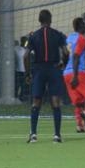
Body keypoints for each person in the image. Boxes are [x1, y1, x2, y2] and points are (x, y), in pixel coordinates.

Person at [25, 9, 67, 144]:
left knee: (36, 101)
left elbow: (25, 55)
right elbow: (66, 52)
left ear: (39, 20)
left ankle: (33, 135)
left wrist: (27, 73)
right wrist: (63, 65)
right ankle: (57, 135)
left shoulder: (33, 36)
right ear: (50, 20)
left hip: (39, 69)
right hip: (54, 69)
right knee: (55, 101)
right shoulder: (57, 35)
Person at [15, 37, 28, 101]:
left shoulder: (27, 50)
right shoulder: (16, 48)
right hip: (18, 70)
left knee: (23, 86)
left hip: (24, 71)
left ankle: (22, 98)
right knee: (17, 85)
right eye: (25, 41)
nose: (26, 43)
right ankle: (15, 97)